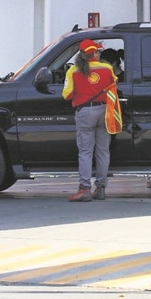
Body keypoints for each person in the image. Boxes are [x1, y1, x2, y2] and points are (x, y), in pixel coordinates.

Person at [62, 39, 120, 202]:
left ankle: (84, 188)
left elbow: (67, 94)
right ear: (94, 53)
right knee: (103, 150)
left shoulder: (73, 71)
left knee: (86, 152)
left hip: (85, 113)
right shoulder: (107, 69)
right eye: (98, 51)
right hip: (104, 111)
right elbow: (114, 86)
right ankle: (101, 188)